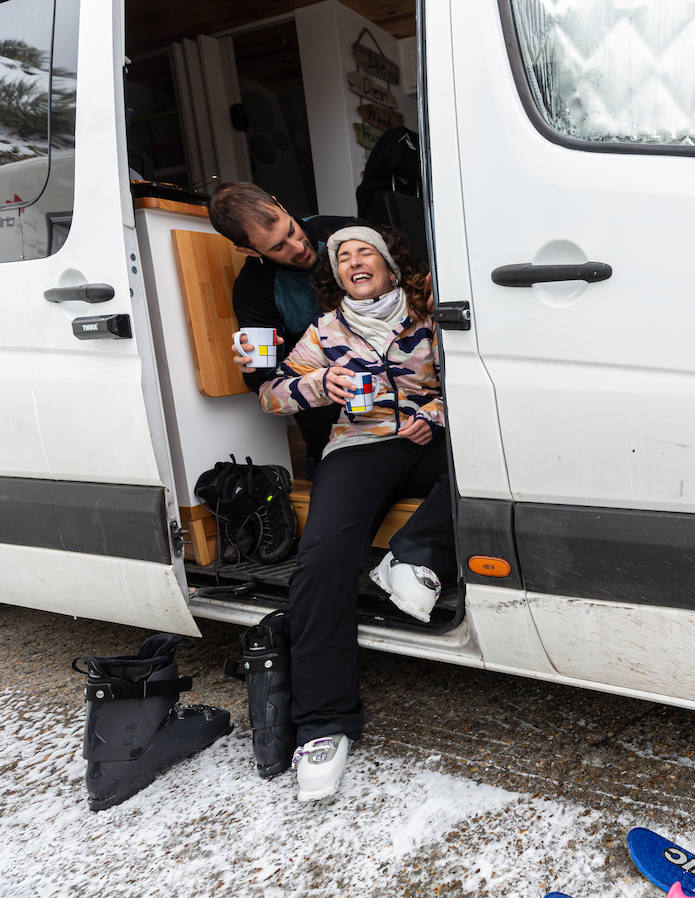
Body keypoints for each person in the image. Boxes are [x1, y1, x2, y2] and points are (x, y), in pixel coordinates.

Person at [256, 225, 453, 801]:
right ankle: (323, 723)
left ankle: (412, 558)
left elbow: (474, 379)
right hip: (358, 443)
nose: (353, 260)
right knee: (321, 562)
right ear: (337, 276)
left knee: (486, 469)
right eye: (343, 257)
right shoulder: (325, 330)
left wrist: (435, 413)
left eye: (365, 251)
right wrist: (320, 383)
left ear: (391, 267)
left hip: (428, 439)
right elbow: (272, 393)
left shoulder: (430, 317)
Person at [207, 182, 351, 475]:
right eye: (278, 247)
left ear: (279, 204)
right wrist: (253, 367)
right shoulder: (254, 290)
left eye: (290, 231)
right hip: (328, 414)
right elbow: (265, 380)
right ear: (246, 250)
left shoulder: (339, 231)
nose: (297, 247)